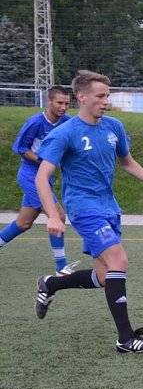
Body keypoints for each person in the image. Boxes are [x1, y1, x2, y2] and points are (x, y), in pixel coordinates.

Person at [33, 70, 143, 353]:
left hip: (109, 207)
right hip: (83, 208)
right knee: (119, 262)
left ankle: (50, 284)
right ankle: (126, 338)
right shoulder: (65, 132)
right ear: (82, 97)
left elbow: (127, 162)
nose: (106, 101)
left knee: (103, 277)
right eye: (100, 96)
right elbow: (42, 177)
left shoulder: (114, 127)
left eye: (108, 96)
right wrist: (52, 214)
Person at [1, 86, 77, 274]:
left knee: (23, 223)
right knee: (57, 216)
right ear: (49, 102)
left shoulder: (66, 122)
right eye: (60, 103)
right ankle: (61, 267)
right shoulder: (35, 122)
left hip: (45, 178)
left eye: (67, 103)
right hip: (31, 176)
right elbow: (20, 148)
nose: (64, 107)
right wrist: (43, 160)